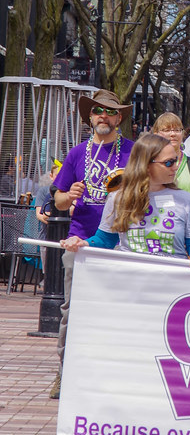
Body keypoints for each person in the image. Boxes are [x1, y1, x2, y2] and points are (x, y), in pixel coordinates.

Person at [61, 133, 190, 435]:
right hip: (128, 301)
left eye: (178, 160)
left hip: (169, 302)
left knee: (157, 379)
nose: (177, 166)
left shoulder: (187, 201)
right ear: (147, 165)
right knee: (126, 375)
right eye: (170, 161)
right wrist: (83, 242)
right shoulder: (119, 198)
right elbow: (105, 241)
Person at [49, 90, 134, 399]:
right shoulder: (76, 154)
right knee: (72, 309)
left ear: (119, 118)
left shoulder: (133, 152)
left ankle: (113, 373)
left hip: (122, 242)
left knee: (119, 310)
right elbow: (57, 201)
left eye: (109, 112)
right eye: (97, 111)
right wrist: (67, 196)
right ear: (89, 117)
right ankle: (64, 372)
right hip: (80, 241)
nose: (103, 116)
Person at [152, 113, 190, 195]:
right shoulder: (150, 164)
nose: (173, 134)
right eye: (167, 130)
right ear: (156, 134)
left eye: (177, 130)